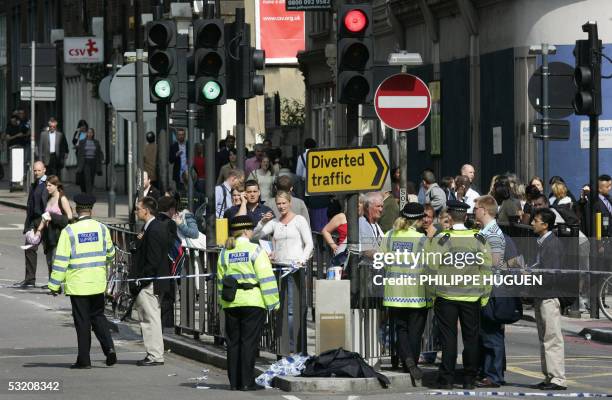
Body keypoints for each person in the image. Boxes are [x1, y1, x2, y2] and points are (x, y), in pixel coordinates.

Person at [47, 193, 116, 369]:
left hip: (78, 285)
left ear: (77, 210)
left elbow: (61, 261)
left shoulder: (69, 231)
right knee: (98, 317)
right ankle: (109, 349)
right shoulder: (102, 229)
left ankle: (84, 360)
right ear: (91, 210)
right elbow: (111, 254)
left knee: (83, 322)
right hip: (97, 282)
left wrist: (54, 285)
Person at [430, 200, 492, 389]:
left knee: (448, 339)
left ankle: (447, 378)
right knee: (471, 338)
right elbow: (486, 269)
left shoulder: (443, 238)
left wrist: (433, 294)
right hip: (471, 296)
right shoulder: (478, 238)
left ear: (449, 216)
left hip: (446, 296)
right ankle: (469, 379)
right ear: (466, 216)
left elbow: (432, 267)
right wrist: (485, 295)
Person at [218, 216, 280, 390]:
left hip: (232, 303)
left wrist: (222, 302)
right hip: (253, 301)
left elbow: (221, 281)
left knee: (233, 343)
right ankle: (247, 382)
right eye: (251, 229)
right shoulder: (255, 250)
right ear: (246, 231)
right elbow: (266, 278)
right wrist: (273, 303)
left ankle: (235, 383)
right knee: (248, 343)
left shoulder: (225, 251)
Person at [254, 191, 313, 352]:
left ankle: (293, 346)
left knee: (292, 310)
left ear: (289, 203)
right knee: (278, 307)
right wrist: (261, 222)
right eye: (278, 204)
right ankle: (280, 344)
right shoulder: (275, 222)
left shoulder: (299, 220)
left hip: (294, 270)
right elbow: (254, 236)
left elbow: (309, 244)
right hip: (278, 268)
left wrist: (301, 260)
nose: (281, 207)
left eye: (283, 203)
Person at [381, 203, 431, 385]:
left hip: (394, 290)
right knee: (415, 332)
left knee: (401, 329)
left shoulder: (389, 235)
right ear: (417, 220)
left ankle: (407, 361)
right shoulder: (421, 239)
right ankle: (411, 363)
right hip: (416, 291)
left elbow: (382, 260)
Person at [530, 208, 566, 390]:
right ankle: (548, 376)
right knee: (544, 337)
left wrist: (532, 276)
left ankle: (557, 378)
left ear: (545, 225)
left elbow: (550, 274)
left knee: (552, 337)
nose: (532, 223)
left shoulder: (552, 244)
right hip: (541, 295)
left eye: (535, 221)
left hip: (549, 296)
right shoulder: (542, 242)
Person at [130, 197, 169, 366]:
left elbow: (152, 260)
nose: (136, 211)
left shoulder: (154, 229)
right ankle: (153, 353)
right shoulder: (150, 228)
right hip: (149, 281)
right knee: (148, 318)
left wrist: (142, 280)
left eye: (138, 208)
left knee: (150, 318)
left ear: (146, 210)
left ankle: (155, 355)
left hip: (150, 282)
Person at [473, 195, 507, 388]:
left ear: (484, 210)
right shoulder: (485, 231)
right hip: (484, 287)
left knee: (491, 334)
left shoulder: (492, 233)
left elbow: (495, 262)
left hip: (491, 289)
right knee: (485, 333)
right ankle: (488, 372)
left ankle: (493, 375)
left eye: (476, 207)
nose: (474, 210)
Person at [16, 161, 48, 288]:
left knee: (50, 251)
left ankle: (54, 282)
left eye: (39, 170)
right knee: (29, 248)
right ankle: (30, 279)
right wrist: (28, 225)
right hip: (34, 221)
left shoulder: (47, 184)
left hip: (45, 220)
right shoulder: (35, 184)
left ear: (44, 170)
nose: (36, 173)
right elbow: (30, 205)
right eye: (35, 170)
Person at [34, 175, 72, 283]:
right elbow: (45, 216)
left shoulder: (62, 198)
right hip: (48, 234)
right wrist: (38, 231)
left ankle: (56, 284)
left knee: (55, 261)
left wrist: (54, 217)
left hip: (58, 234)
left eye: (50, 185)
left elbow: (69, 216)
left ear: (56, 185)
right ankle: (52, 283)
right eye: (46, 185)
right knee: (49, 260)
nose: (47, 188)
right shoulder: (49, 198)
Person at [156, 196, 179, 328]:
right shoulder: (170, 223)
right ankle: (167, 327)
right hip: (166, 266)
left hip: (154, 266)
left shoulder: (154, 221)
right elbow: (174, 245)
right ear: (171, 209)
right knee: (167, 300)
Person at [76, 128, 104, 194]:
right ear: (86, 134)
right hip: (85, 162)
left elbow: (99, 152)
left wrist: (102, 159)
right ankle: (89, 193)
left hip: (93, 162)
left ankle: (89, 191)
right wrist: (79, 163)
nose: (89, 134)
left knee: (92, 177)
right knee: (87, 177)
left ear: (93, 134)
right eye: (88, 132)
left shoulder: (96, 142)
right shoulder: (82, 142)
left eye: (91, 132)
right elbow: (79, 153)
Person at [359, 192, 385, 257]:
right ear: (368, 207)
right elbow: (367, 251)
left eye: (382, 206)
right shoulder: (362, 223)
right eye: (378, 206)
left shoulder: (375, 224)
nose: (381, 209)